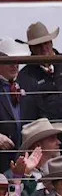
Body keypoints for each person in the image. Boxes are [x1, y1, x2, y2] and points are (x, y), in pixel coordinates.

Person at [15, 22, 62, 153]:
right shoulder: (25, 76)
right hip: (46, 142)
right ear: (31, 49)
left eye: (46, 43)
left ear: (51, 42)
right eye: (38, 45)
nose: (44, 48)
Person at [0, 39, 25, 172]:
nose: (15, 65)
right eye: (9, 61)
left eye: (17, 61)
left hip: (20, 160)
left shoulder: (24, 84)